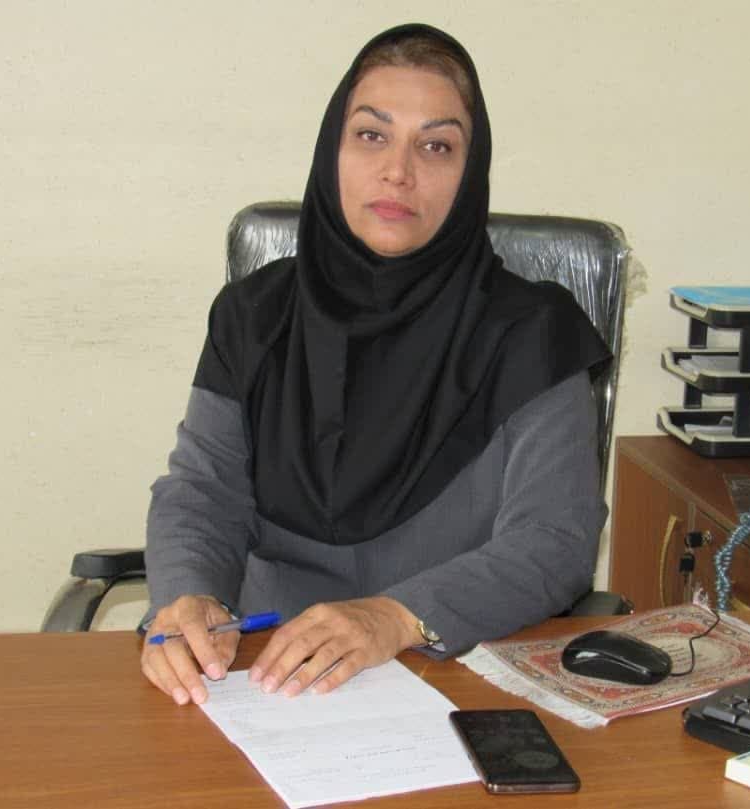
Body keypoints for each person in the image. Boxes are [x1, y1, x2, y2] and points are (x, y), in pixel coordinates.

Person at [140, 23, 611, 707]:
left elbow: (554, 540)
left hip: (457, 677)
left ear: (470, 173)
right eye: (371, 135)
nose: (399, 171)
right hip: (260, 680)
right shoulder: (254, 316)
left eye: (436, 145)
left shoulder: (533, 333)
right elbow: (202, 492)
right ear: (331, 150)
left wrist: (395, 616)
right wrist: (189, 595)